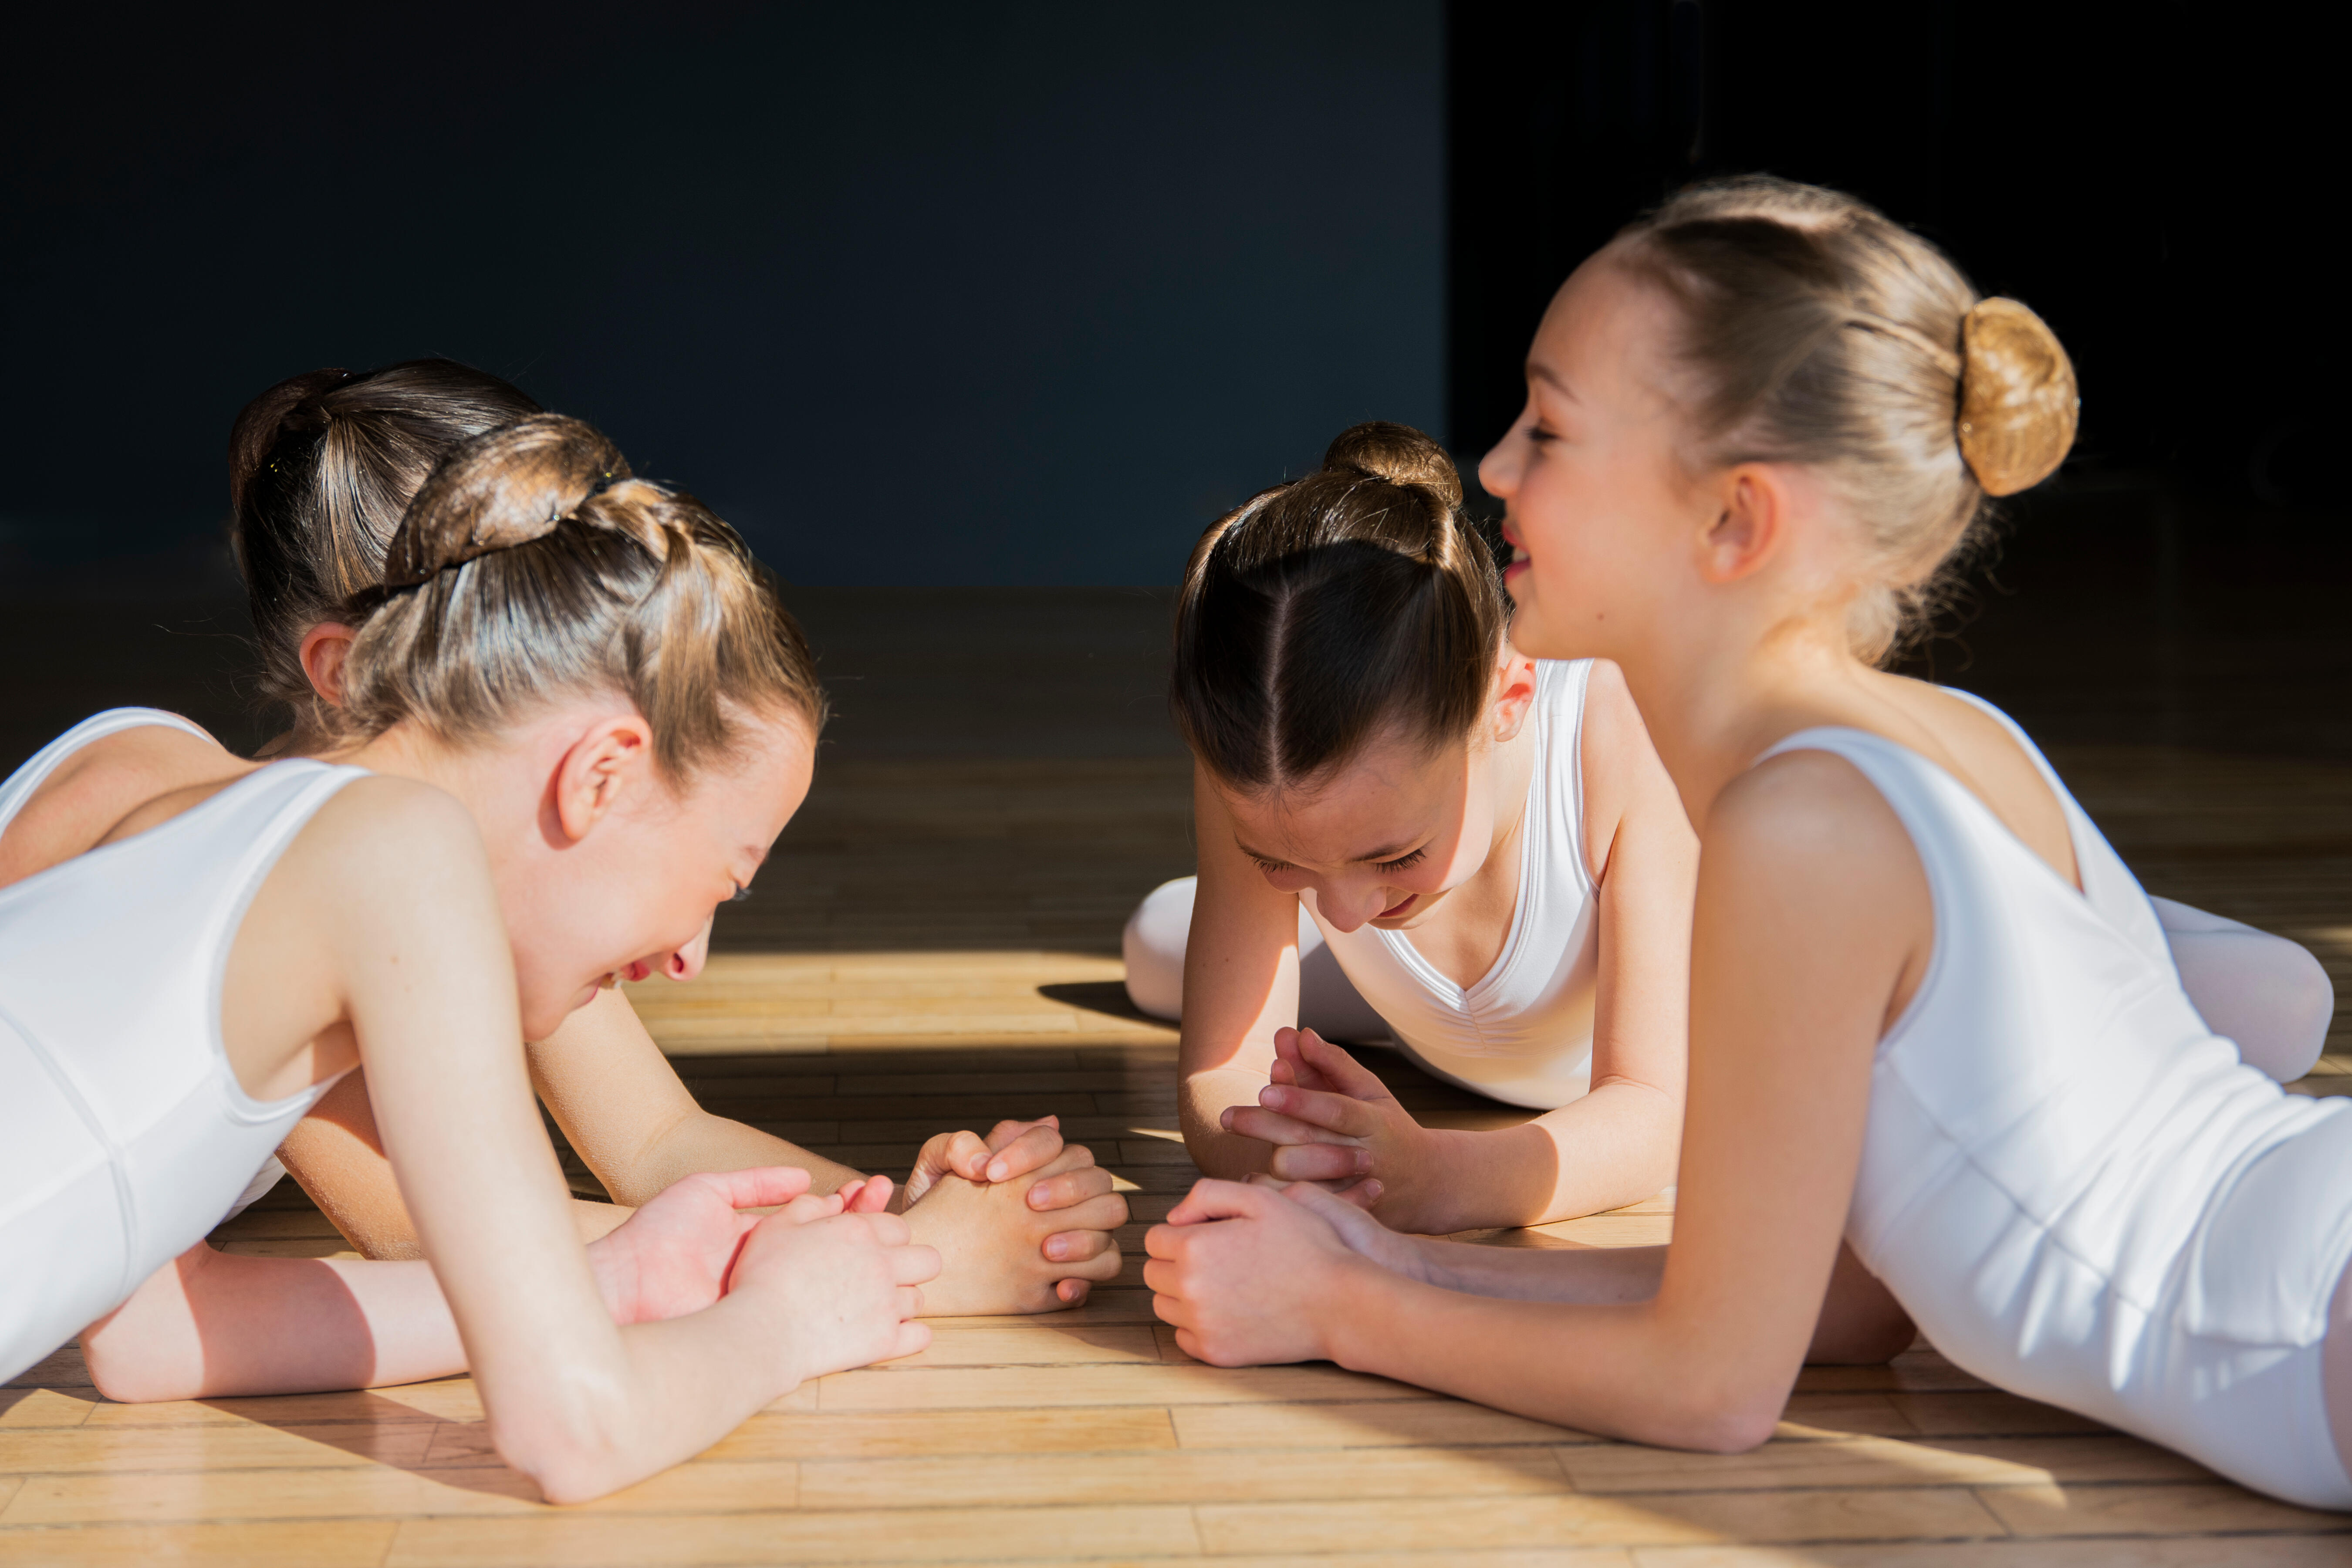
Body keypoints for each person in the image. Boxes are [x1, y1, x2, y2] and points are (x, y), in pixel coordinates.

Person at [1143, 177, 2352, 1511]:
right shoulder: (1944, 738)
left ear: (1734, 519)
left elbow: (1712, 1386)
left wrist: (1338, 1309)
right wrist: (1398, 1258)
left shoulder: (1803, 829)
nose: (1490, 469)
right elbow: (1845, 1308)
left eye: (1548, 428)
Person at [0, 414, 942, 1502]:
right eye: (724, 881)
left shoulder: (167, 777)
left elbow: (151, 1336)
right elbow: (577, 1430)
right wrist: (791, 1321)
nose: (689, 955)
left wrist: (620, 1279)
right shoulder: (398, 854)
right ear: (601, 774)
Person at [218, 362, 1124, 1314]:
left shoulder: (511, 862)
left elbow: (656, 1141)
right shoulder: (281, 884)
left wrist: (898, 1207)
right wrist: (910, 1265)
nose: (691, 957)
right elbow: (422, 1237)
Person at [1136, 422, 1695, 1231]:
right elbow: (1221, 1083)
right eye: (1282, 865)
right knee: (1153, 946)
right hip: (1445, 1033)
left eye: (1395, 855)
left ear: (1506, 703)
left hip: (1644, 1056)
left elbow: (1655, 1113)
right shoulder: (1265, 760)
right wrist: (1316, 1166)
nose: (1345, 912)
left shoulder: (1624, 730)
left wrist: (1434, 1176)